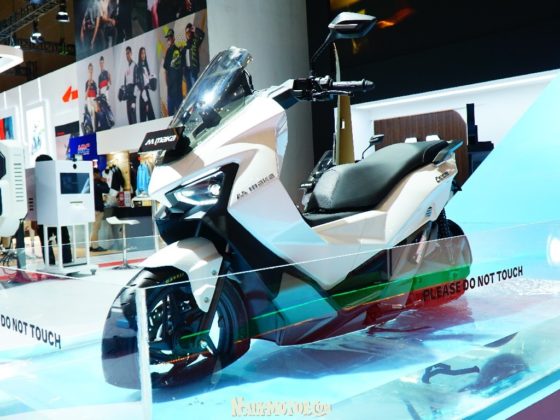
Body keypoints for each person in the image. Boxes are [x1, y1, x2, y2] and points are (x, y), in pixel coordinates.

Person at [34, 155, 73, 265]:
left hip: (55, 215)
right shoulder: (36, 179)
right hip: (48, 217)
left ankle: (62, 263)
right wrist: (34, 219)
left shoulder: (56, 176)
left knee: (59, 239)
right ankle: (58, 263)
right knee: (52, 241)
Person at [163, 28, 183, 116]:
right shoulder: (168, 51)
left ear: (173, 38)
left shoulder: (177, 50)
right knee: (170, 115)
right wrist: (168, 84)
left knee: (179, 114)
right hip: (170, 89)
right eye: (167, 38)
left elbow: (178, 68)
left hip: (177, 88)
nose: (168, 40)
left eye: (170, 38)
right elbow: (166, 69)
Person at [90, 168, 110, 252]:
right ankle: (95, 246)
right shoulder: (96, 183)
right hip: (97, 208)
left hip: (93, 207)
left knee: (94, 228)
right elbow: (106, 190)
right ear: (95, 174)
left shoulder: (90, 182)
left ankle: (92, 245)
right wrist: (104, 182)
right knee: (96, 228)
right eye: (99, 174)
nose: (100, 175)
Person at [182, 23, 205, 91]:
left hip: (193, 70)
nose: (187, 34)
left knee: (195, 89)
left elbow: (202, 35)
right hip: (186, 72)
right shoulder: (185, 46)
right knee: (189, 91)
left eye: (189, 32)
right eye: (186, 32)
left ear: (192, 32)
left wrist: (195, 29)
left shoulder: (195, 42)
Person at [136, 47, 156, 122]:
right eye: (142, 53)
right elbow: (140, 86)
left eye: (144, 53)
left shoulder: (146, 66)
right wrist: (146, 101)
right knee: (146, 119)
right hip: (143, 95)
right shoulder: (138, 68)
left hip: (146, 93)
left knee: (151, 118)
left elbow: (148, 84)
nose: (143, 55)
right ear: (139, 55)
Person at [123, 46, 138, 124]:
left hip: (132, 94)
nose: (127, 55)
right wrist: (124, 93)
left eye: (128, 53)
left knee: (133, 115)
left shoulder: (135, 65)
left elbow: (137, 82)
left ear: (131, 53)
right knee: (129, 116)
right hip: (128, 94)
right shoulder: (126, 68)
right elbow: (125, 83)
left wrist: (134, 98)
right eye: (126, 54)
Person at [85, 62, 98, 132]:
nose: (91, 70)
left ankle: (95, 129)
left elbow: (96, 96)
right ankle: (92, 130)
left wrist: (96, 105)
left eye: (92, 69)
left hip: (94, 100)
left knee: (96, 115)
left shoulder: (95, 83)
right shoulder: (87, 83)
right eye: (90, 69)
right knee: (91, 114)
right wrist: (88, 86)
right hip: (89, 100)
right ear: (88, 70)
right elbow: (85, 97)